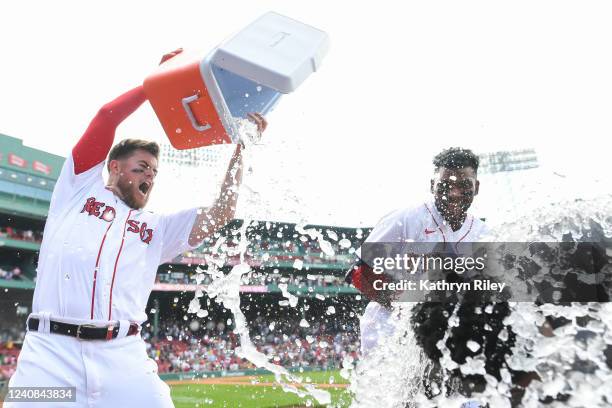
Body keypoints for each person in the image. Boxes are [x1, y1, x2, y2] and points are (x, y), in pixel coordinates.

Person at [6, 49, 267, 408]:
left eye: (154, 172)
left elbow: (223, 211)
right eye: (142, 167)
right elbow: (106, 117)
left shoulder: (157, 228)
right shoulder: (77, 189)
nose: (150, 176)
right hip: (50, 357)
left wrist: (243, 149)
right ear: (113, 167)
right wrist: (154, 86)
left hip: (123, 360)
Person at [346, 147, 488, 354]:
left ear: (476, 187)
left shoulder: (483, 233)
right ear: (432, 185)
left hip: (447, 340)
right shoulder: (406, 219)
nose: (454, 193)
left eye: (464, 185)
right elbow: (360, 273)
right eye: (445, 185)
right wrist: (407, 308)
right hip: (390, 335)